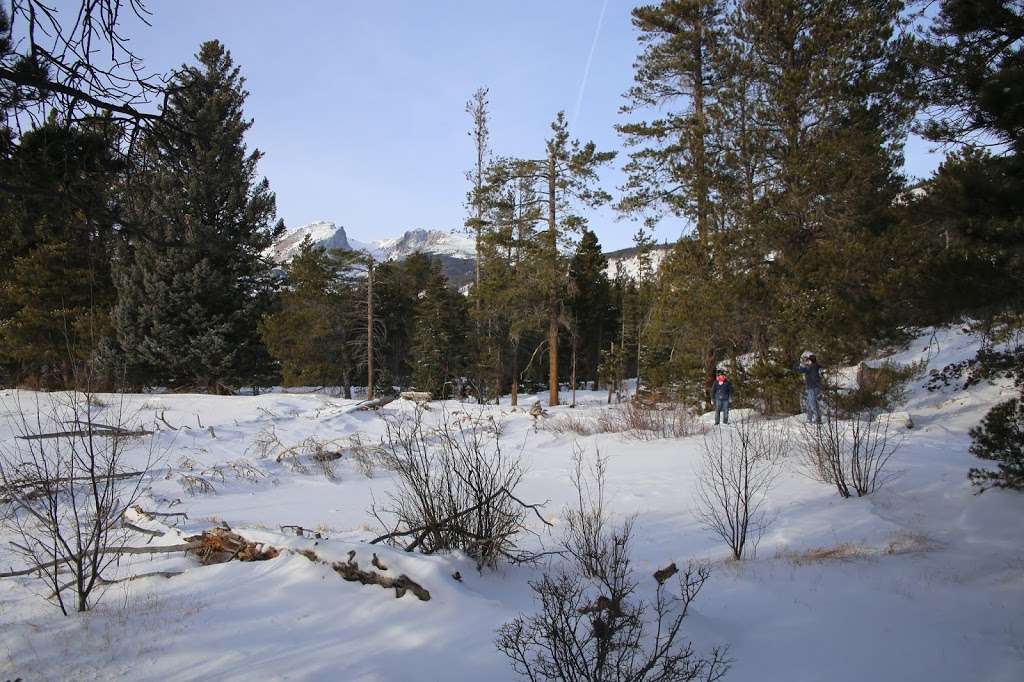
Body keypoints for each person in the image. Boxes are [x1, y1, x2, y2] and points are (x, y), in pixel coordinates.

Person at [795, 354, 823, 424]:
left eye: (808, 360)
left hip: (812, 387)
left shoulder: (812, 367)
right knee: (808, 403)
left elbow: (801, 370)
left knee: (812, 403)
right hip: (813, 387)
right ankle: (809, 418)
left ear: (811, 361)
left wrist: (796, 366)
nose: (807, 362)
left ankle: (817, 419)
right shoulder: (815, 366)